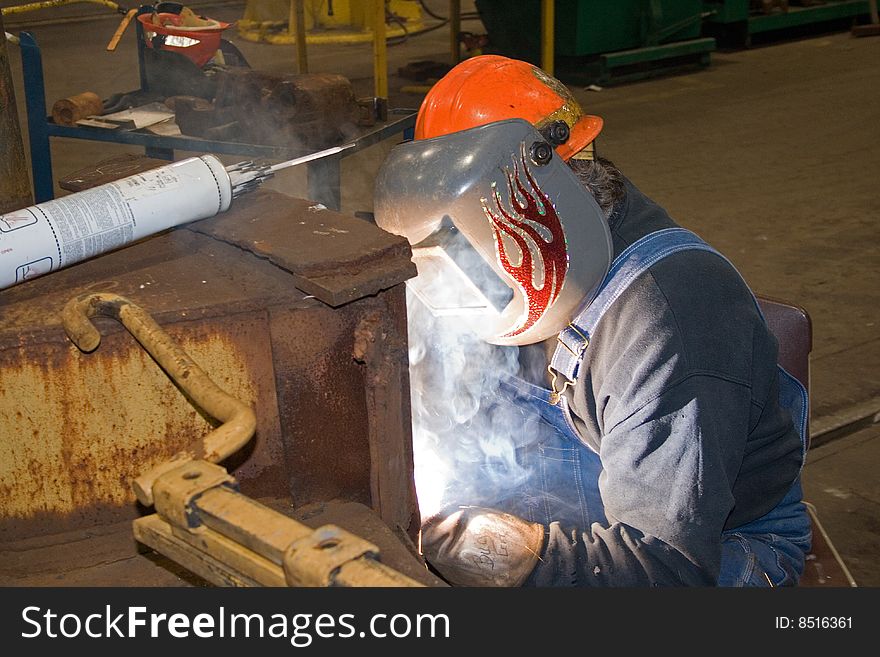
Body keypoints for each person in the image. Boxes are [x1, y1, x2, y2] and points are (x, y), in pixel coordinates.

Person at [373, 55, 811, 587]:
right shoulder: (514, 261)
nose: (468, 263)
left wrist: (516, 557)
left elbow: (667, 568)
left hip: (711, 557)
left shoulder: (671, 316)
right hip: (593, 520)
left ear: (544, 185)